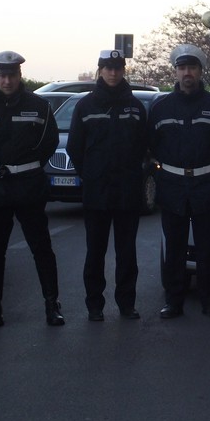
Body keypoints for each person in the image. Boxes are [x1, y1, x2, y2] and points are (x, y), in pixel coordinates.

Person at [0, 50, 63, 330]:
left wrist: (28, 166)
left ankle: (52, 305)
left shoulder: (39, 106)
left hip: (28, 187)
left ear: (20, 76)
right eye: (2, 75)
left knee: (41, 248)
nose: (7, 81)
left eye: (12, 75)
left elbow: (49, 142)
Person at [147, 44, 210, 319]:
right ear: (176, 71)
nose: (187, 73)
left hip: (207, 184)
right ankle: (174, 301)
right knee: (175, 248)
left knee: (207, 249)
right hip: (172, 185)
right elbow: (150, 145)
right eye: (182, 68)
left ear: (200, 71)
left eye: (192, 68)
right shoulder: (160, 107)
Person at [66, 49, 148, 321]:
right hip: (97, 192)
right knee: (95, 252)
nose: (113, 73)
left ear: (123, 70)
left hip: (127, 191)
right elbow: (75, 148)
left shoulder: (135, 106)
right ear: (99, 70)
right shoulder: (86, 106)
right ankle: (95, 305)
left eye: (117, 68)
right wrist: (91, 174)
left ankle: (126, 304)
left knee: (127, 253)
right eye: (108, 68)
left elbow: (143, 147)